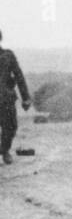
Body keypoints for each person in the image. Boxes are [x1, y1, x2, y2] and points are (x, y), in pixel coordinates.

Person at [0, 30, 32, 165]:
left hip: (6, 99)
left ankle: (4, 150)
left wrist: (26, 98)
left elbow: (19, 76)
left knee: (11, 127)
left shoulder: (8, 55)